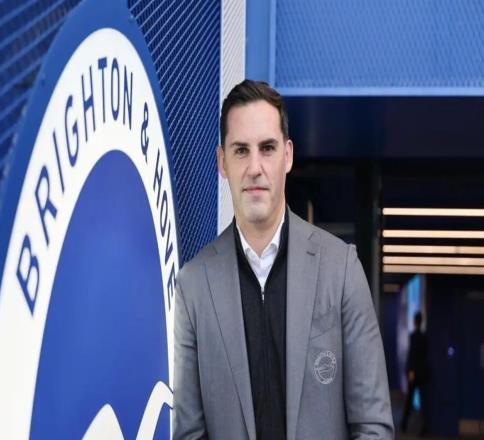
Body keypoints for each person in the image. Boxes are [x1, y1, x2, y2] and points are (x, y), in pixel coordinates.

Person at [173, 79, 393, 439]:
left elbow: (373, 425)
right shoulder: (193, 287)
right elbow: (188, 432)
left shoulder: (341, 269)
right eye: (241, 150)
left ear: (287, 156)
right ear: (222, 162)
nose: (255, 167)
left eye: (267, 148)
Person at [401, 311, 429, 435]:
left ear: (414, 321)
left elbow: (411, 357)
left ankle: (404, 424)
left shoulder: (412, 337)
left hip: (413, 373)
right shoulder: (424, 338)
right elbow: (425, 357)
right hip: (422, 374)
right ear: (421, 321)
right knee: (423, 401)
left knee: (409, 399)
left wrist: (409, 372)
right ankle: (424, 427)